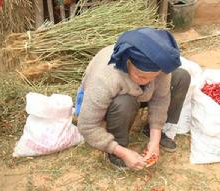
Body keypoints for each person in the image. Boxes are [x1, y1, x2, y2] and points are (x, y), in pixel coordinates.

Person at [75, 27, 190, 170]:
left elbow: (161, 99)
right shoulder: (105, 78)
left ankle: (151, 129)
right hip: (114, 101)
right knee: (124, 102)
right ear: (127, 62)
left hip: (140, 95)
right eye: (140, 76)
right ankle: (118, 147)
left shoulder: (159, 64)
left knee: (181, 76)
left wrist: (155, 139)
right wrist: (119, 151)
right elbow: (87, 127)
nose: (147, 81)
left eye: (153, 76)